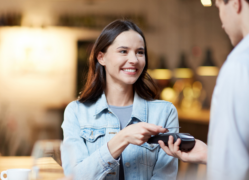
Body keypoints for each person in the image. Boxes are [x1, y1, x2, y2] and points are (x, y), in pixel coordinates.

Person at [61, 20, 179, 180]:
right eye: (123, 51)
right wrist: (122, 138)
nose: (134, 60)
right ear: (101, 57)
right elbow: (74, 177)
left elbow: (165, 176)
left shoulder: (164, 112)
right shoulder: (76, 112)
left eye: (140, 52)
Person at [158, 0, 249, 179]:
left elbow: (229, 171)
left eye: (219, 8)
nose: (221, 20)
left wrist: (219, 159)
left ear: (236, 4)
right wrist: (210, 154)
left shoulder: (238, 66)